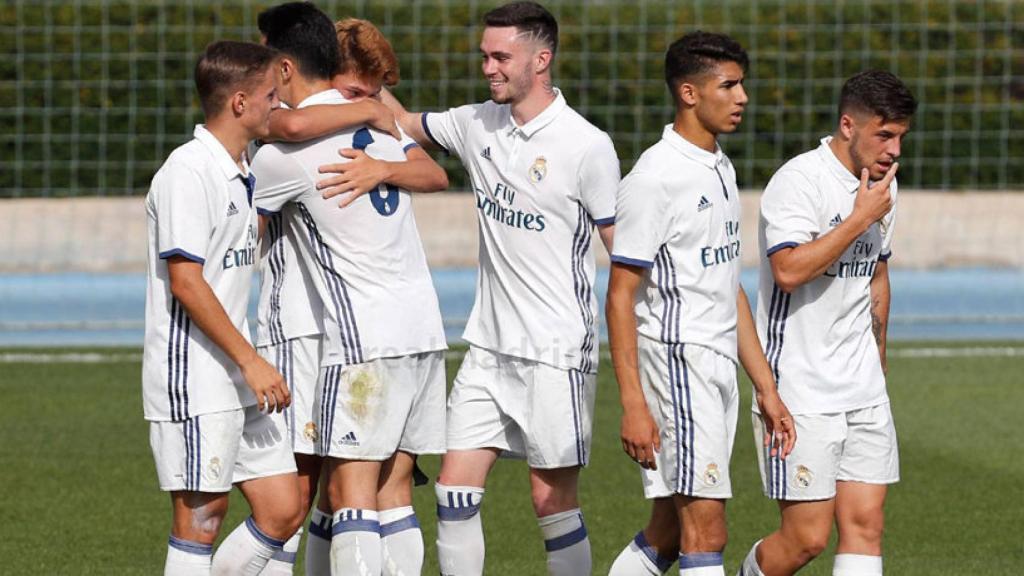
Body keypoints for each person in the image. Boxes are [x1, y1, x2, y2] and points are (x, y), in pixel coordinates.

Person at [354, 2, 620, 574]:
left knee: (552, 501)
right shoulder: (478, 123)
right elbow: (401, 122)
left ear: (541, 59)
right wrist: (354, 83)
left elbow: (622, 250)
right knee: (453, 493)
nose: (489, 67)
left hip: (556, 353)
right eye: (485, 56)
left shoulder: (586, 145)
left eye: (502, 56)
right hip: (488, 349)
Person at [251, 3, 448, 575]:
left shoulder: (281, 154)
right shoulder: (376, 129)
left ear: (286, 68)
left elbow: (238, 239)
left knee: (344, 495)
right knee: (393, 495)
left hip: (357, 338)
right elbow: (435, 173)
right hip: (423, 331)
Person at [604, 31, 795, 576]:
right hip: (679, 364)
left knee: (665, 532)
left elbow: (726, 284)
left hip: (716, 369)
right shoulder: (654, 179)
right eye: (728, 86)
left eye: (742, 85)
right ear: (689, 93)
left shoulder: (720, 167)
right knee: (707, 529)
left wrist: (765, 387)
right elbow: (620, 297)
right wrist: (634, 404)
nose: (742, 98)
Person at [736, 70, 916, 576]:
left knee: (866, 526)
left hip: (862, 390)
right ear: (847, 125)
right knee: (806, 540)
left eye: (900, 136)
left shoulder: (884, 187)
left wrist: (876, 368)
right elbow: (788, 270)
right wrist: (859, 217)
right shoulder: (798, 182)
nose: (893, 149)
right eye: (884, 135)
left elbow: (877, 276)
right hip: (800, 390)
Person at [142, 40, 304, 575]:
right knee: (203, 518)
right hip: (196, 375)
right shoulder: (186, 173)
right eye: (270, 97)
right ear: (239, 102)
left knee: (283, 509)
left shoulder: (244, 167)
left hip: (236, 370)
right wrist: (251, 360)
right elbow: (186, 283)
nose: (278, 106)